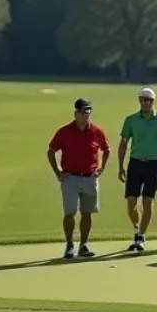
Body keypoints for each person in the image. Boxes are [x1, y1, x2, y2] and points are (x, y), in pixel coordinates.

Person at [47, 98, 111, 259]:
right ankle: (69, 245)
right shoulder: (65, 131)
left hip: (90, 177)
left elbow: (107, 149)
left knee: (87, 212)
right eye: (83, 111)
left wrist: (101, 168)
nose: (86, 115)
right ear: (75, 113)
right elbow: (51, 151)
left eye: (88, 111)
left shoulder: (97, 131)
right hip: (70, 178)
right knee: (70, 212)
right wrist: (58, 172)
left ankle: (83, 245)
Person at [117, 87, 157, 253]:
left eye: (148, 100)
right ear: (139, 101)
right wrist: (120, 166)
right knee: (131, 203)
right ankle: (136, 229)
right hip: (135, 163)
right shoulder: (131, 120)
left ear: (153, 101)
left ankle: (141, 236)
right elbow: (123, 144)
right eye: (142, 99)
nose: (145, 102)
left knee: (148, 201)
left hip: (154, 164)